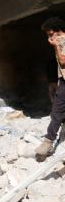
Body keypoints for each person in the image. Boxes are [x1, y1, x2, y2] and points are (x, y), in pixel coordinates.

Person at [36, 17, 65, 162]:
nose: (49, 37)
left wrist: (55, 46)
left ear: (55, 30)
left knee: (57, 110)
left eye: (49, 33)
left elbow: (63, 61)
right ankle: (49, 141)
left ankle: (49, 141)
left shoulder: (63, 41)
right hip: (63, 81)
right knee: (57, 110)